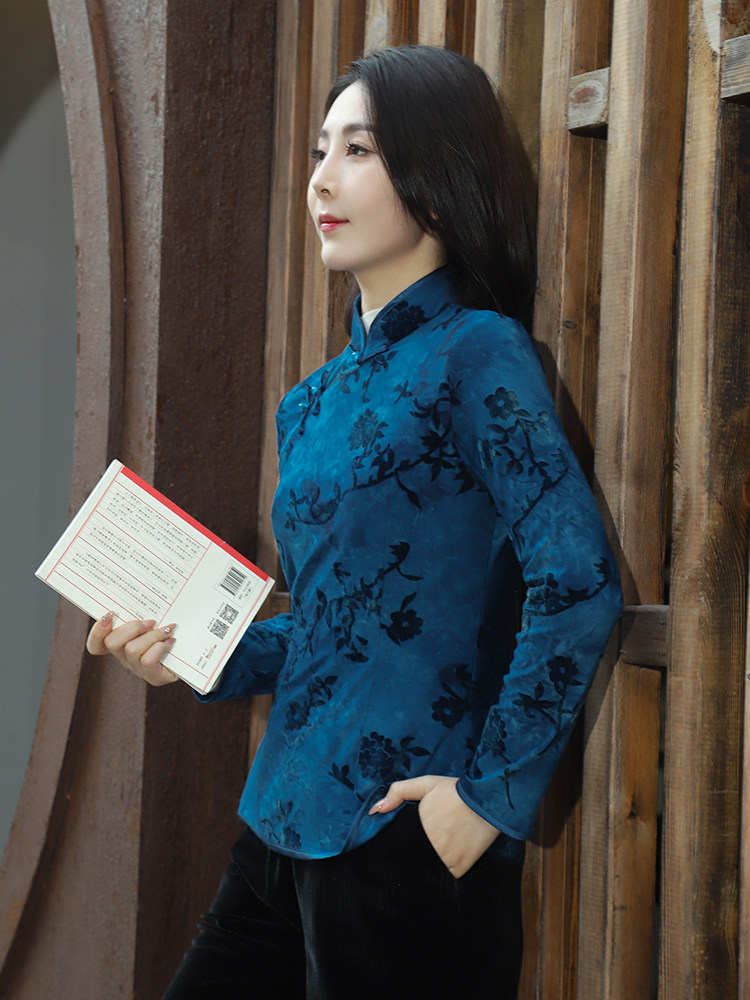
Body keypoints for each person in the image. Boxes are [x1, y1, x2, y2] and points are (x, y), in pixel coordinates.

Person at [87, 45, 622, 999]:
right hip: (279, 822)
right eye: (320, 150)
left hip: (401, 842)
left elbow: (577, 576)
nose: (322, 179)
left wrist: (488, 798)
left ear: (437, 176)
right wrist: (188, 654)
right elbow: (333, 628)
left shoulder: (475, 352)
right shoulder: (309, 403)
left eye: (359, 150)